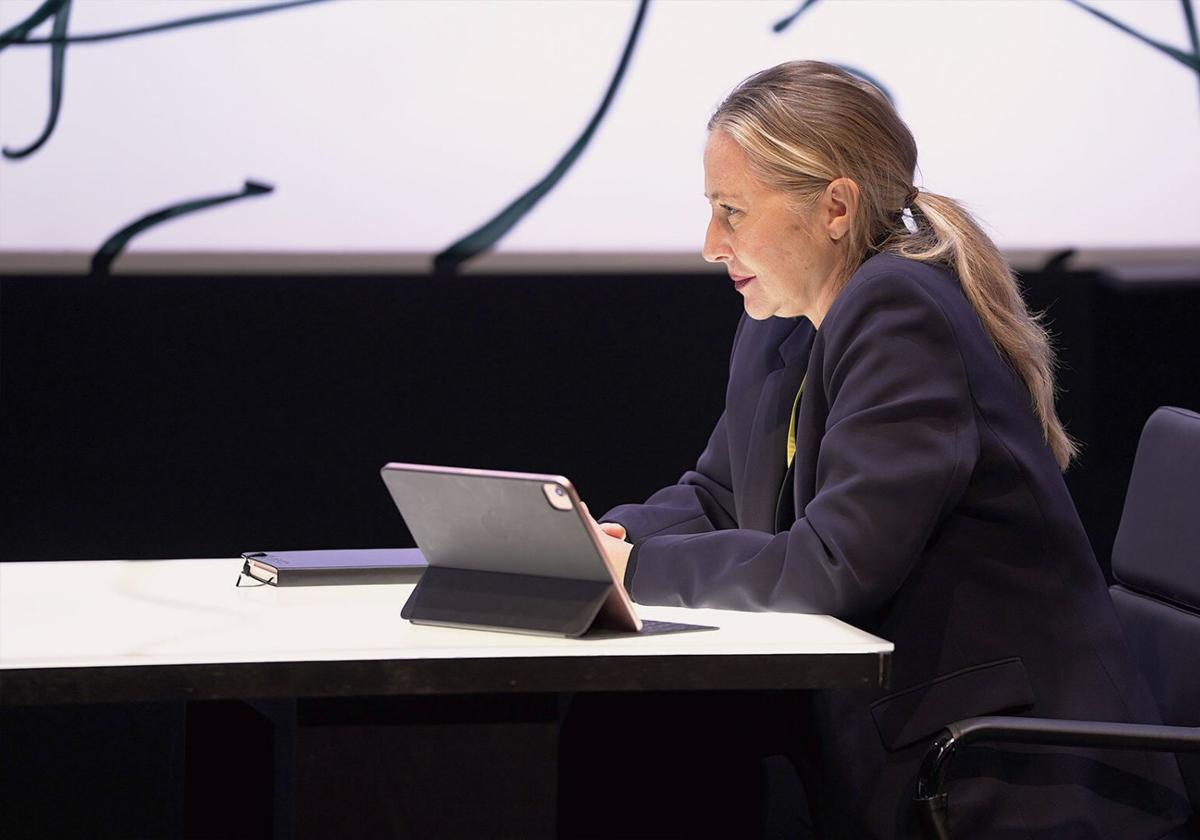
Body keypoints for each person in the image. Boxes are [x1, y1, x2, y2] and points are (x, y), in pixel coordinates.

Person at [571, 61, 1191, 839]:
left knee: (649, 751)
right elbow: (716, 496)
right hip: (900, 727)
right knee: (643, 738)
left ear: (835, 207)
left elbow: (833, 565)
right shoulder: (782, 319)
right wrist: (593, 541)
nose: (709, 244)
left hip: (1001, 770)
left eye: (732, 210)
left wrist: (632, 575)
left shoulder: (901, 311)